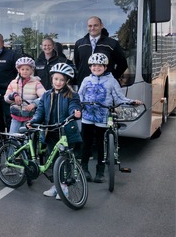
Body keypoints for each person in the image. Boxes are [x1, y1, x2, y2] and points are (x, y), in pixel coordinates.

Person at [78, 53, 141, 183]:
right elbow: (79, 96)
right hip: (87, 116)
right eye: (93, 65)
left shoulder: (112, 81)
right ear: (90, 67)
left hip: (102, 117)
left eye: (100, 65)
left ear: (105, 67)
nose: (96, 68)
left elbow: (119, 97)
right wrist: (76, 107)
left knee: (101, 145)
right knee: (86, 144)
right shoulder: (86, 80)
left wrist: (131, 101)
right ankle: (84, 169)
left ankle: (100, 171)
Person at [27, 63, 82, 199]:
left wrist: (75, 112)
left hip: (66, 132)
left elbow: (74, 107)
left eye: (62, 80)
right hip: (50, 132)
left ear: (67, 81)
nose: (58, 82)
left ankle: (65, 186)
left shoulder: (72, 95)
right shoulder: (46, 95)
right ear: (52, 79)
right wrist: (33, 122)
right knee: (53, 160)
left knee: (66, 160)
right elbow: (40, 112)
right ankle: (56, 185)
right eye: (56, 79)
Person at [73, 16, 128, 89]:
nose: (92, 28)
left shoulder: (112, 44)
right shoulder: (79, 44)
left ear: (101, 26)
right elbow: (78, 64)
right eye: (90, 26)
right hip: (85, 86)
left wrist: (112, 77)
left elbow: (122, 64)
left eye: (95, 25)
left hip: (106, 88)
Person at [4, 57, 46, 134]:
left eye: (27, 69)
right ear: (18, 70)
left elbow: (44, 96)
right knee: (12, 139)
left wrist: (34, 104)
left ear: (32, 70)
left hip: (29, 118)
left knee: (27, 141)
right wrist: (13, 96)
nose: (25, 71)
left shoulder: (36, 83)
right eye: (22, 69)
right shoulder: (13, 83)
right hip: (15, 117)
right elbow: (6, 98)